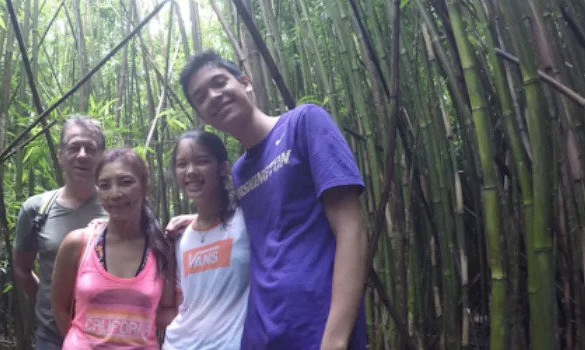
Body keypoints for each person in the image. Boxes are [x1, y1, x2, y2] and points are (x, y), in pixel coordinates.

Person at [173, 50, 370, 350]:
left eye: (219, 82)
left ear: (245, 83)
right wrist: (193, 221)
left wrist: (337, 337)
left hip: (318, 326)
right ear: (203, 116)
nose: (213, 96)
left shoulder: (304, 123)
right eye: (201, 96)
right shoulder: (239, 172)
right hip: (260, 332)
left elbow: (351, 229)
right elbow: (246, 222)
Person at [50, 148, 177, 349]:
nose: (115, 194)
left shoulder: (162, 249)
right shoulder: (78, 243)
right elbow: (59, 306)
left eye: (126, 182)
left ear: (145, 187)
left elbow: (168, 310)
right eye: (104, 185)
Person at [13, 116, 109, 350]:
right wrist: (50, 303)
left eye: (91, 148)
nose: (82, 155)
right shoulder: (37, 209)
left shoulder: (119, 206)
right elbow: (21, 269)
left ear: (102, 156)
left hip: (109, 335)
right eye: (74, 147)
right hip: (52, 337)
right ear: (61, 155)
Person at [162, 130, 250, 350]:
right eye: (182, 165)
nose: (190, 171)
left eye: (201, 161)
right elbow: (184, 302)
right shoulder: (181, 237)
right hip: (178, 344)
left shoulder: (246, 219)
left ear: (222, 168)